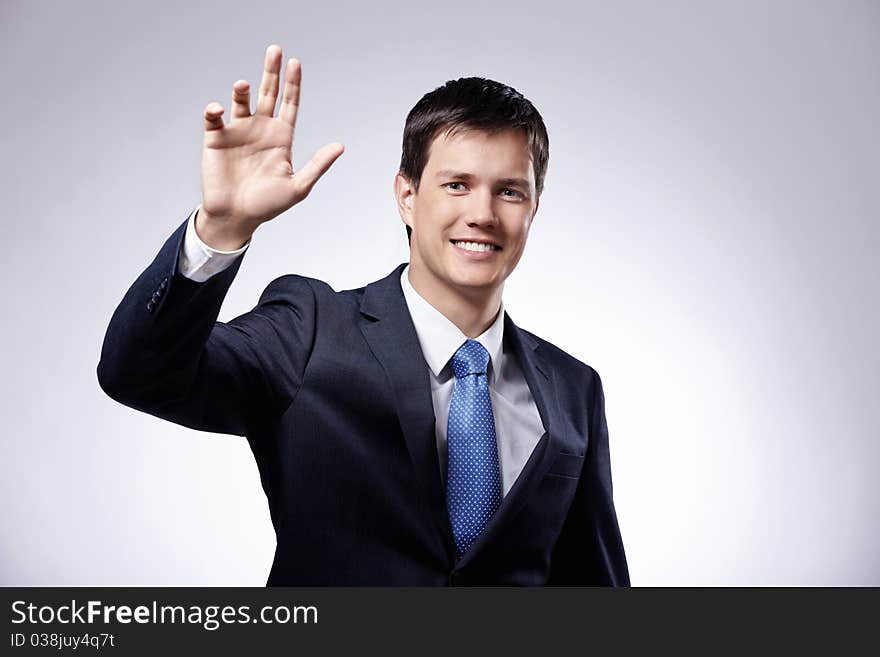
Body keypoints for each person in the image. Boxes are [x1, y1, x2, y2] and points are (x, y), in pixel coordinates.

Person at [98, 44, 630, 586]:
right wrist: (221, 230)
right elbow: (138, 374)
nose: (483, 214)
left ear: (533, 209)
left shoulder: (574, 388)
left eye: (510, 191)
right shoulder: (309, 329)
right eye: (456, 185)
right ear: (406, 195)